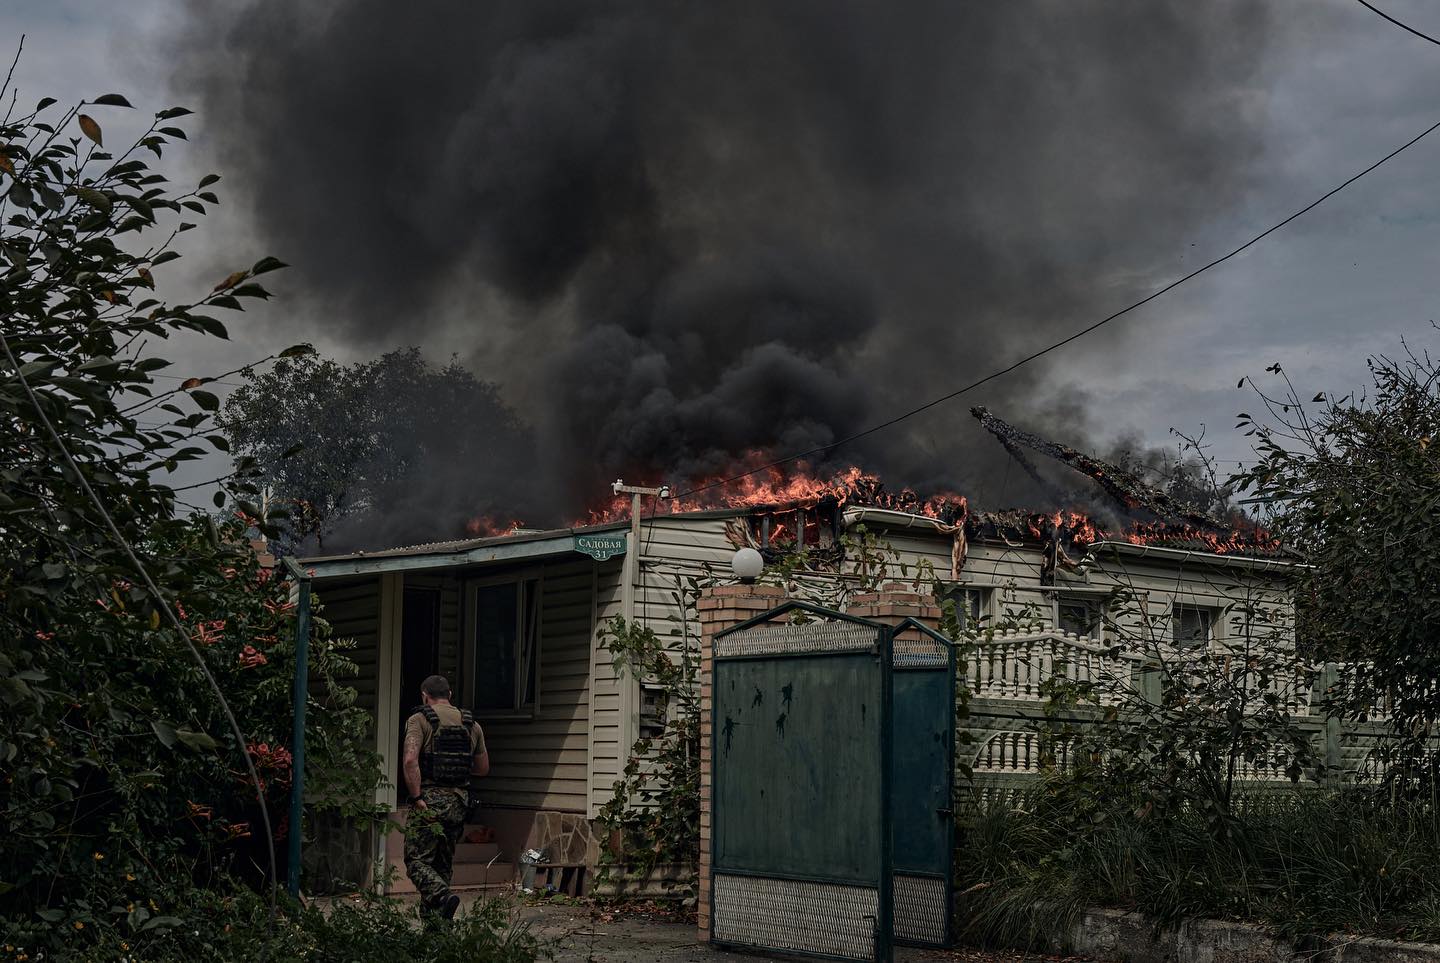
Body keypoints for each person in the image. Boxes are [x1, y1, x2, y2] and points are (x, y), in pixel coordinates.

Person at [402, 674, 489, 920]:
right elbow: (483, 768)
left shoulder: (419, 720)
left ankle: (442, 896)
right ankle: (437, 933)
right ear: (450, 695)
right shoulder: (472, 724)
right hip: (459, 803)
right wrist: (457, 766)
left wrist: (417, 797)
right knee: (441, 865)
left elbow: (410, 760)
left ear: (424, 695)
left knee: (416, 860)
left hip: (429, 801)